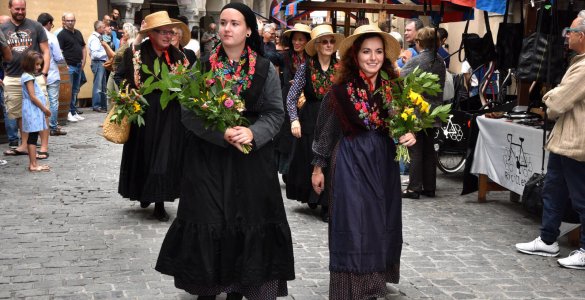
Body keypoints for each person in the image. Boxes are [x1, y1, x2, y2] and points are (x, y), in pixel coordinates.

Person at [155, 3, 295, 299]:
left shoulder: (266, 68)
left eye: (234, 23)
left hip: (251, 164)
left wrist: (252, 133)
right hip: (208, 161)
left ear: (248, 30)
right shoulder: (202, 66)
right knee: (210, 221)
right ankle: (208, 287)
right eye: (223, 23)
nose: (227, 28)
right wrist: (223, 132)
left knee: (249, 221)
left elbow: (274, 113)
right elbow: (189, 114)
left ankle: (239, 287)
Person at [311, 24, 415, 299]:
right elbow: (325, 132)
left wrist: (409, 133)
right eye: (366, 51)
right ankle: (354, 285)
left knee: (382, 219)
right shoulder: (340, 92)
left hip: (383, 161)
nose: (373, 57)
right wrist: (318, 167)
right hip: (351, 161)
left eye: (379, 52)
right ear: (355, 56)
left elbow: (403, 123)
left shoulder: (394, 88)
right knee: (355, 221)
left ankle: (375, 280)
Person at [515, 11, 585, 270]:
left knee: (580, 198)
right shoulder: (579, 62)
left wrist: (549, 98)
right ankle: (547, 239)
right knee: (553, 191)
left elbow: (557, 102)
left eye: (571, 31)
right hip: (564, 141)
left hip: (577, 143)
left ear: (582, 36)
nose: (566, 36)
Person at [114, 11, 189, 222]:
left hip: (169, 116)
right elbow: (119, 77)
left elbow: (187, 84)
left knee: (163, 158)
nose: (167, 36)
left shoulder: (178, 56)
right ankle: (144, 192)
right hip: (144, 114)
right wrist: (129, 95)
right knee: (144, 155)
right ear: (151, 34)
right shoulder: (135, 53)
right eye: (163, 32)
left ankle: (159, 203)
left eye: (170, 32)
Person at [285, 24, 342, 222]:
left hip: (334, 118)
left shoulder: (340, 68)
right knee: (311, 159)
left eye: (331, 41)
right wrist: (294, 120)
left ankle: (328, 204)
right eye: (324, 41)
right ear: (316, 45)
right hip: (310, 116)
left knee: (331, 160)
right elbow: (292, 97)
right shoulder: (305, 67)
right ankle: (314, 196)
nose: (328, 44)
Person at [400, 27, 446, 199]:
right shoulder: (440, 61)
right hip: (435, 112)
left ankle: (414, 188)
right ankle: (430, 187)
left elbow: (400, 76)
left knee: (416, 150)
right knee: (429, 151)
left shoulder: (418, 60)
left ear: (419, 43)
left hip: (418, 111)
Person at [2, 0, 51, 157]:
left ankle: (43, 147)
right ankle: (24, 145)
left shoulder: (35, 26)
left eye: (23, 9)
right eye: (17, 9)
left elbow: (46, 51)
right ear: (10, 8)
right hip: (12, 76)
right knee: (19, 113)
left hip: (35, 77)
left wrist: (44, 72)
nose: (20, 12)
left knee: (41, 110)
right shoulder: (3, 28)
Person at [275, 23, 311, 184]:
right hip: (287, 100)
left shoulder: (311, 58)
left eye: (301, 40)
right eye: (295, 40)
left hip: (306, 102)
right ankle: (287, 169)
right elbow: (268, 55)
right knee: (287, 136)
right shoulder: (285, 56)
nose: (297, 43)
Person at [20, 51, 50, 172]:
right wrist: (45, 109)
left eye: (40, 65)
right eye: (36, 64)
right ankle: (33, 164)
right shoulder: (28, 77)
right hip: (33, 110)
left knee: (33, 136)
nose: (38, 67)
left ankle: (33, 163)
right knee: (32, 137)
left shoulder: (28, 75)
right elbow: (32, 96)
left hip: (33, 110)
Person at [37, 13, 66, 137]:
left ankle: (40, 127)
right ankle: (53, 127)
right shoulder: (51, 36)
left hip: (38, 73)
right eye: (51, 24)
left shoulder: (34, 34)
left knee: (40, 100)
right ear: (48, 23)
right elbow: (59, 57)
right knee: (53, 101)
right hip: (52, 72)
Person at [56, 12, 86, 122]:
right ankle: (67, 112)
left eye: (72, 20)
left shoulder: (78, 33)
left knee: (75, 90)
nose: (70, 22)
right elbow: (59, 52)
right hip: (69, 66)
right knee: (68, 91)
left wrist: (83, 61)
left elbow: (83, 47)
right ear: (64, 21)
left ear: (75, 21)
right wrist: (65, 65)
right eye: (68, 20)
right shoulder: (61, 35)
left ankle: (73, 111)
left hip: (78, 65)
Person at [88, 20, 108, 113]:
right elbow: (95, 54)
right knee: (98, 85)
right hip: (98, 62)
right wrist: (106, 52)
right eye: (103, 27)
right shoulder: (94, 38)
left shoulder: (99, 37)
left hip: (101, 62)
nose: (105, 29)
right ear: (99, 28)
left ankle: (103, 105)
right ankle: (97, 105)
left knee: (102, 85)